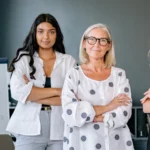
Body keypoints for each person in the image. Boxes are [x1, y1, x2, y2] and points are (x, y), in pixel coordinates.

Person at [6, 13, 76, 150]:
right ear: (34, 34)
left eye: (51, 32)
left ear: (57, 34)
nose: (46, 37)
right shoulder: (23, 60)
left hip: (62, 128)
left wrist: (32, 93)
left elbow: (73, 98)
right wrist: (58, 91)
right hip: (28, 127)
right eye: (41, 31)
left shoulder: (68, 62)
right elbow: (17, 92)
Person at [61, 23, 134, 150]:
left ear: (109, 45)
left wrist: (87, 112)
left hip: (116, 143)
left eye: (103, 40)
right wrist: (110, 106)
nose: (97, 44)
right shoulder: (73, 74)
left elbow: (124, 112)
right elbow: (70, 114)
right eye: (91, 39)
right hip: (81, 143)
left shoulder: (119, 75)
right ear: (84, 43)